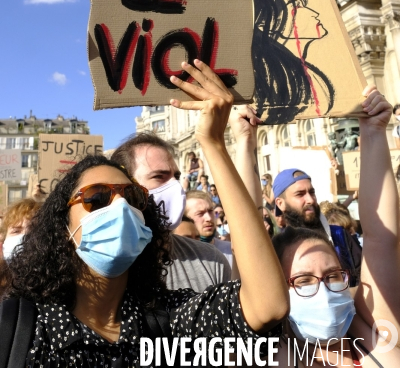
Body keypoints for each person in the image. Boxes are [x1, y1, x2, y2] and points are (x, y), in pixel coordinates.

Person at [0, 61, 289, 366]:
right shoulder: (19, 328)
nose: (120, 207)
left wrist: (213, 143)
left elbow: (267, 305)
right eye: (97, 197)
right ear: (61, 226)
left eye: (133, 197)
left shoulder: (168, 320)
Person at [271, 86, 400, 366]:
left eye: (332, 276)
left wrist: (374, 131)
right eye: (303, 281)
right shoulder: (274, 356)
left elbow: (380, 238)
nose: (325, 290)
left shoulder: (373, 330)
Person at [111, 130, 231, 291]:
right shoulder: (106, 269)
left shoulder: (211, 260)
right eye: (159, 177)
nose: (175, 186)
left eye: (176, 176)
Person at [252, 0, 335, 123]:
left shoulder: (309, 74)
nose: (314, 13)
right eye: (295, 7)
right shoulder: (272, 81)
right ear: (268, 24)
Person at [273, 167, 362, 285]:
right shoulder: (277, 250)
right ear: (280, 203)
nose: (310, 200)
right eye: (300, 194)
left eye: (312, 192)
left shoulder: (340, 236)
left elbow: (365, 282)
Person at [185, 190, 236, 273]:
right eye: (200, 214)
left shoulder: (231, 251)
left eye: (210, 211)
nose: (208, 218)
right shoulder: (180, 256)